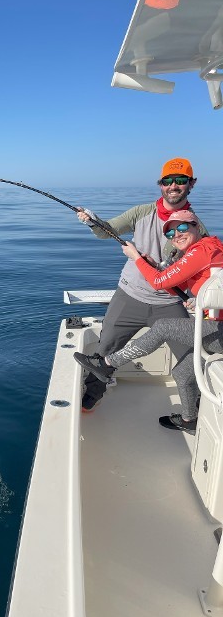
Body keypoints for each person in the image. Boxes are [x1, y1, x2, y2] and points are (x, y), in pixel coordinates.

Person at [76, 157, 209, 413]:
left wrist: (195, 295)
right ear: (160, 184)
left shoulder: (197, 227)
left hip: (169, 303)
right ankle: (90, 399)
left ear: (191, 184)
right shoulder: (141, 212)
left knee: (191, 357)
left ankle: (196, 412)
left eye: (180, 181)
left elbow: (199, 270)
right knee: (104, 350)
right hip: (130, 296)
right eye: (168, 181)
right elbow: (109, 230)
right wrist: (93, 221)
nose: (173, 186)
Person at [74, 210, 223, 433]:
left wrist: (136, 257)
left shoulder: (202, 250)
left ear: (197, 227)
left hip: (218, 331)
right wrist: (199, 301)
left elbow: (159, 283)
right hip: (214, 322)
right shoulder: (209, 248)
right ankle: (189, 419)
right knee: (183, 372)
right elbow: (182, 287)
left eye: (183, 228)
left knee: (163, 327)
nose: (176, 234)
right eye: (171, 232)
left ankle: (107, 365)